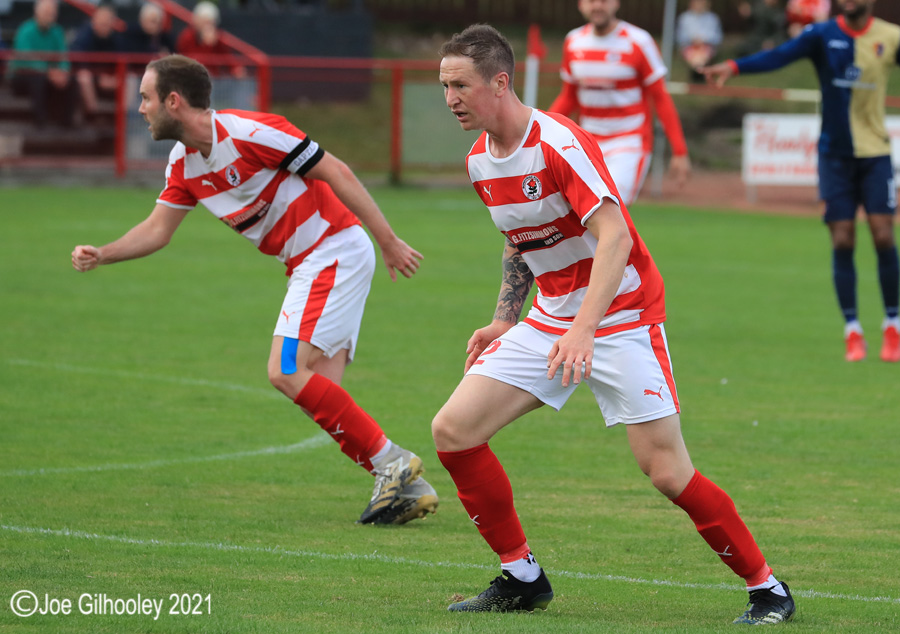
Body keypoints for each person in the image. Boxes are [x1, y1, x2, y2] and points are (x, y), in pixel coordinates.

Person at [434, 24, 796, 625]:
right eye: (445, 85)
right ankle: (522, 578)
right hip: (553, 319)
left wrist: (584, 330)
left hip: (623, 318)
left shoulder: (558, 142)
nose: (450, 98)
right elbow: (520, 244)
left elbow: (616, 237)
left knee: (666, 471)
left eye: (461, 85)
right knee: (454, 431)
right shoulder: (479, 162)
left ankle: (769, 589)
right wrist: (505, 319)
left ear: (500, 82)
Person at [71, 55, 438, 525]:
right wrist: (103, 253)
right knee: (318, 390)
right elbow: (157, 230)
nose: (139, 107)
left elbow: (337, 171)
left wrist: (388, 240)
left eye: (145, 98)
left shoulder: (251, 133)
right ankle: (407, 485)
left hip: (333, 249)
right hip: (313, 261)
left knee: (284, 370)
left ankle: (393, 463)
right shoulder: (183, 164)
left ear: (174, 101)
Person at [702, 0, 900, 363]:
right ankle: (852, 331)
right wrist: (734, 65)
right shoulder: (822, 34)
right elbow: (779, 56)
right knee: (842, 238)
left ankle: (892, 324)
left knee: (884, 233)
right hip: (834, 155)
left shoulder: (890, 36)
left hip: (875, 154)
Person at [548, 0, 691, 207]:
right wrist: (538, 131)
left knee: (610, 209)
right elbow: (568, 97)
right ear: (580, 5)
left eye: (604, 1)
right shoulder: (573, 41)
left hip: (629, 141)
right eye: (591, 1)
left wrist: (679, 151)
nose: (597, 6)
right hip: (586, 143)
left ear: (616, 3)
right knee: (574, 215)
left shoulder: (638, 41)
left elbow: (660, 97)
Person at [9, 0, 78, 128]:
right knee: (37, 79)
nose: (49, 16)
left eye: (52, 13)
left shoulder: (58, 32)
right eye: (46, 12)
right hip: (22, 76)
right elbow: (26, 59)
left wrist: (62, 72)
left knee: (72, 80)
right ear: (37, 12)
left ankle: (67, 123)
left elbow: (63, 57)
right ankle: (40, 122)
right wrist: (49, 72)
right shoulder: (25, 30)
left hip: (49, 75)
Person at [70, 2, 120, 118]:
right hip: (91, 79)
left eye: (108, 22)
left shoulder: (116, 38)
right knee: (84, 77)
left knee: (130, 78)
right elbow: (77, 60)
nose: (105, 24)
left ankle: (124, 116)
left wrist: (113, 77)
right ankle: (94, 116)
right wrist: (98, 78)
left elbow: (123, 59)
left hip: (109, 79)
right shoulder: (83, 35)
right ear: (94, 19)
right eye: (102, 21)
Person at [175, 1, 243, 78]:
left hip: (214, 80)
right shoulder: (186, 37)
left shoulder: (219, 37)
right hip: (191, 79)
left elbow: (229, 59)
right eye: (204, 22)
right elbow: (193, 62)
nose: (206, 26)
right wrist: (206, 45)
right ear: (196, 21)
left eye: (209, 22)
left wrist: (236, 69)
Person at [676, 0, 723, 80]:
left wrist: (703, 40)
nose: (699, 5)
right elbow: (680, 37)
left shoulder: (712, 18)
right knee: (694, 56)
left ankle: (698, 73)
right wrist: (693, 40)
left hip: (706, 46)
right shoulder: (684, 18)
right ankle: (700, 73)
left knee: (702, 55)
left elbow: (717, 37)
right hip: (689, 46)